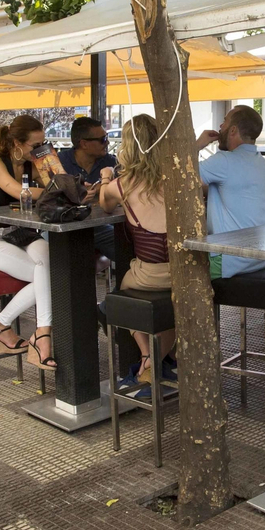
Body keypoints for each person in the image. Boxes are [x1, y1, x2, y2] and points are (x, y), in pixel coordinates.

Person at [0, 115, 57, 370]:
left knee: (54, 265)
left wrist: (52, 166)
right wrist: (62, 188)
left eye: (44, 143)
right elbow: (19, 192)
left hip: (21, 233)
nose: (40, 149)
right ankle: (38, 337)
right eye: (36, 145)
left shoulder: (33, 163)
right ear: (17, 143)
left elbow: (56, 180)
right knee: (45, 275)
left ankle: (5, 326)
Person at [99, 115, 175, 390]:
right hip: (184, 273)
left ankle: (148, 359)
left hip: (149, 275)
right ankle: (157, 360)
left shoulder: (122, 185)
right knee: (172, 306)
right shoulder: (177, 176)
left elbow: (105, 206)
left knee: (123, 289)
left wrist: (106, 176)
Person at [197, 105, 265, 279]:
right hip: (258, 259)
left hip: (229, 261)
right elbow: (223, 190)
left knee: (178, 270)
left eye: (224, 121)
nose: (220, 126)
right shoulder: (261, 164)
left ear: (232, 130)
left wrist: (197, 145)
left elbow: (182, 177)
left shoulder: (224, 161)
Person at [59, 116, 119, 261]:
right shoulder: (60, 161)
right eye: (103, 139)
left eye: (107, 137)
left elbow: (121, 190)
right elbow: (53, 193)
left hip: (100, 226)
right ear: (84, 144)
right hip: (66, 225)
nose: (108, 142)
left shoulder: (111, 162)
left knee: (124, 247)